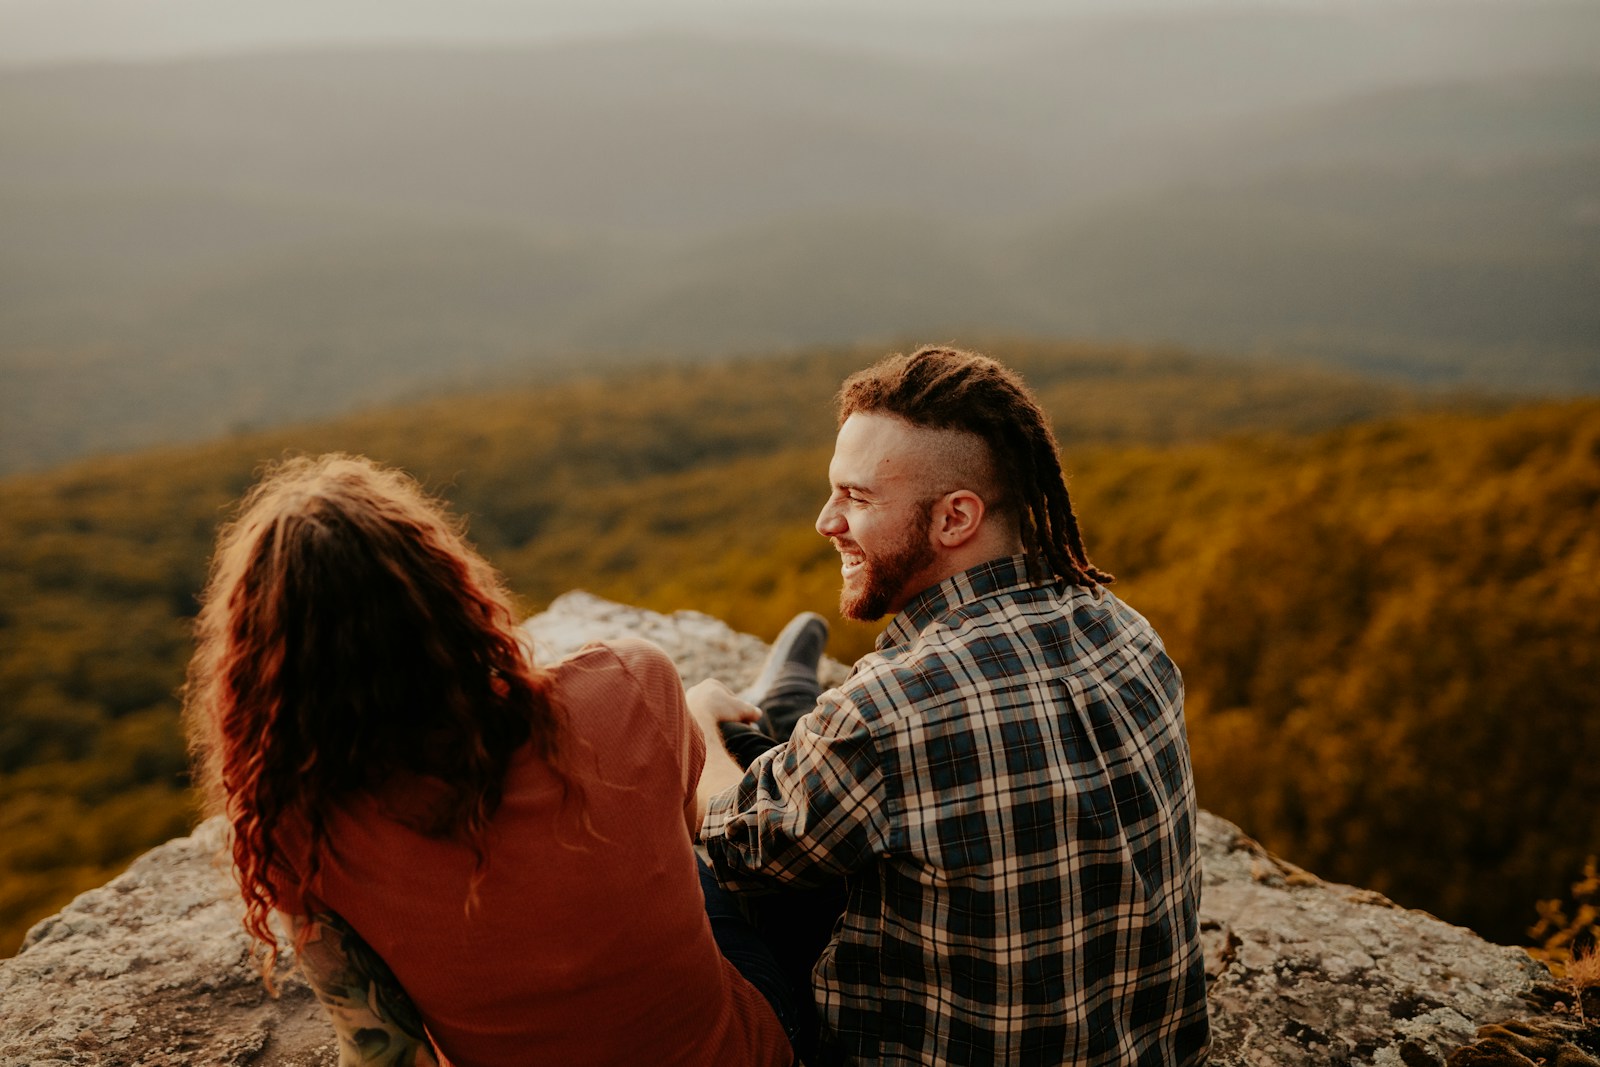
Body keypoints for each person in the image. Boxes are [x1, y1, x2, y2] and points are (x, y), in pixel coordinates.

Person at [184, 454, 794, 1067]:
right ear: (449, 589)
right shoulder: (628, 679)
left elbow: (383, 1053)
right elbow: (693, 835)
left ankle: (749, 710)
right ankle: (743, 715)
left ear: (265, 674)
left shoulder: (295, 827)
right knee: (706, 810)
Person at [690, 346, 1211, 1065]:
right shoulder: (1127, 632)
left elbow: (732, 841)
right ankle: (781, 729)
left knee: (679, 863)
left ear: (955, 518)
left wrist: (691, 730)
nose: (825, 521)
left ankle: (758, 729)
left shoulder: (893, 705)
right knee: (832, 800)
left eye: (857, 498)